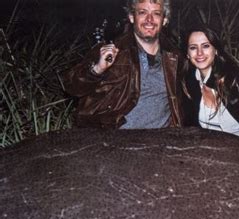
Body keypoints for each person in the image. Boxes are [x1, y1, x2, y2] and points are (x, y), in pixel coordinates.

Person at [63, 0, 184, 129]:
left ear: (164, 20)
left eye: (156, 13)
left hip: (161, 140)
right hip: (116, 139)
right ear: (132, 17)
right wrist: (97, 69)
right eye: (142, 12)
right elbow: (72, 87)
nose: (149, 19)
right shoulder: (111, 51)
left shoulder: (176, 57)